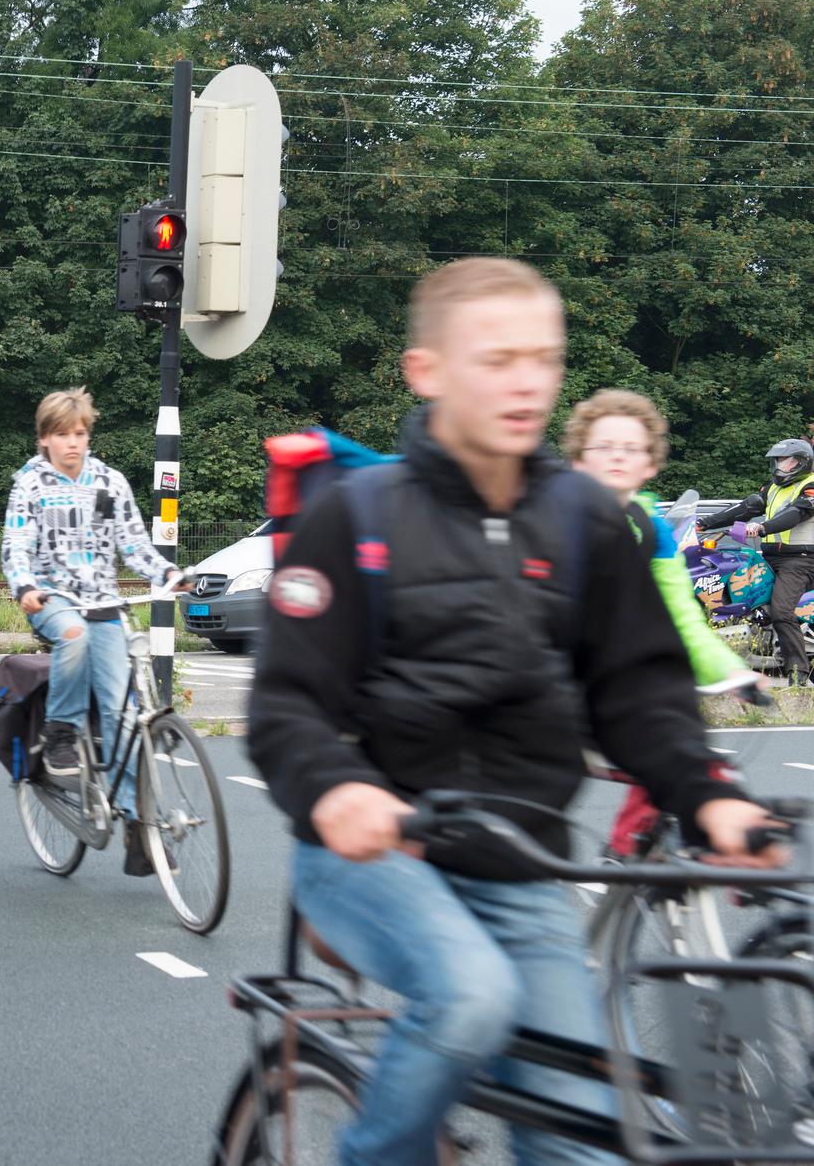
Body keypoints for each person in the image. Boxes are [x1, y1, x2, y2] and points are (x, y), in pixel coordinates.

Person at [246, 257, 778, 1166]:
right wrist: (338, 791)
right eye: (497, 359)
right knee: (470, 998)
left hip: (522, 865)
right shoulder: (358, 517)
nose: (527, 380)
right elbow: (288, 705)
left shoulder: (586, 520)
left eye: (544, 358)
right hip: (374, 854)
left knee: (585, 1138)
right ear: (428, 372)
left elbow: (638, 691)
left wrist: (708, 793)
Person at [566, 389, 759, 857]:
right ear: (577, 461)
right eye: (603, 446)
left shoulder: (651, 527)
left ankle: (638, 852)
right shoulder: (556, 519)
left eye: (631, 448)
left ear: (650, 464)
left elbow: (683, 617)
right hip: (569, 686)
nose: (617, 456)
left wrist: (729, 670)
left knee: (694, 757)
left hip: (635, 689)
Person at [0, 387, 179, 878]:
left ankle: (137, 825)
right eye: (62, 435)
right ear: (44, 440)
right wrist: (25, 585)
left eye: (80, 434)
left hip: (105, 602)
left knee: (125, 719)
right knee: (72, 635)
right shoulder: (30, 483)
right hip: (53, 599)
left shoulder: (110, 481)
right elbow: (16, 544)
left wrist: (167, 575)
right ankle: (61, 732)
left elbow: (135, 546)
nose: (73, 443)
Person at [698, 437, 814, 684]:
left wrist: (763, 527)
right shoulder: (772, 488)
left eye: (787, 461)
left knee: (782, 610)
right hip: (772, 556)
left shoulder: (810, 486)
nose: (780, 466)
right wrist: (703, 523)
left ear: (802, 463)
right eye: (778, 461)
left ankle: (798, 674)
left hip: (801, 560)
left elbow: (795, 514)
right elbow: (744, 509)